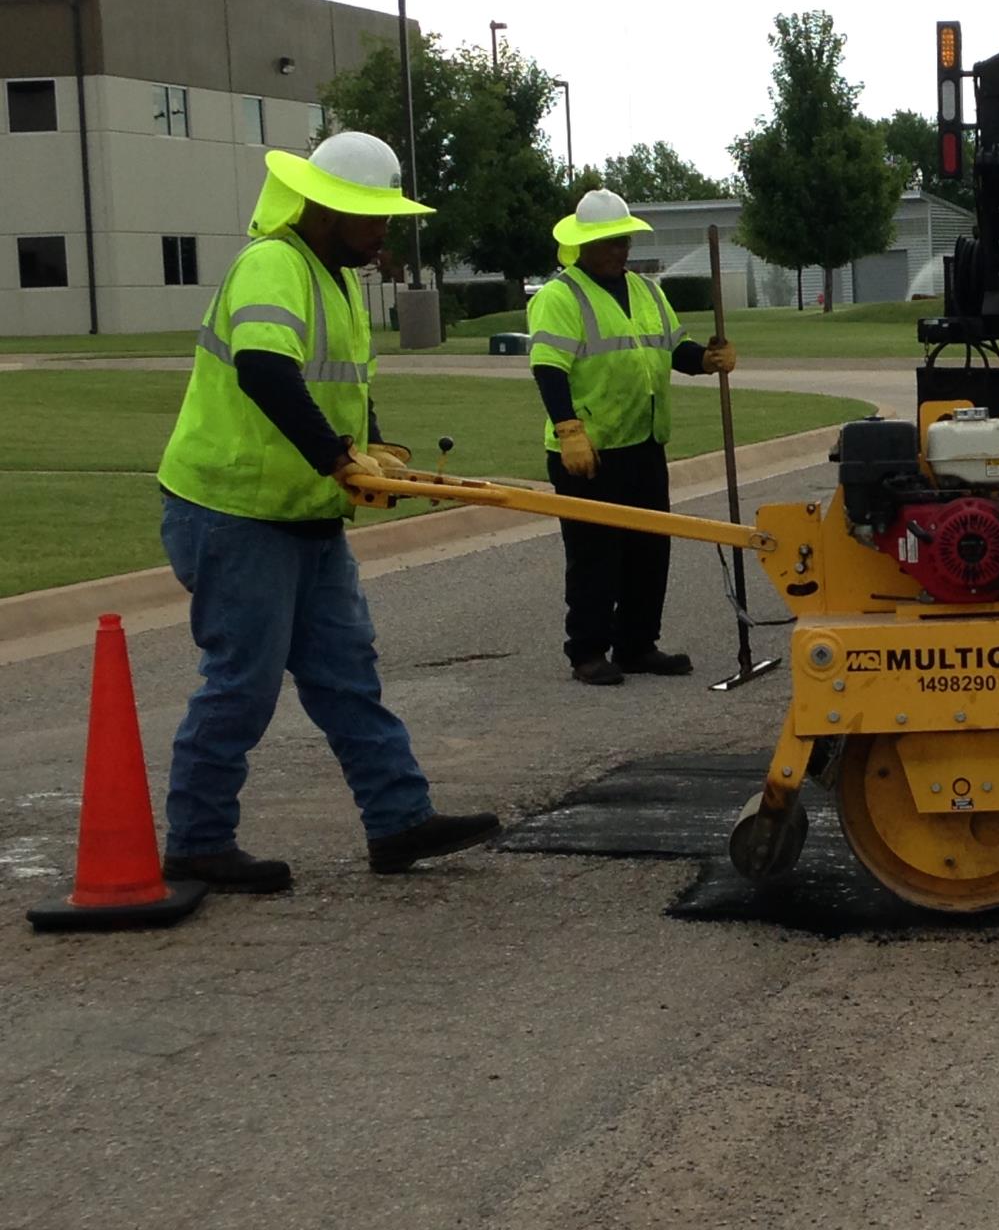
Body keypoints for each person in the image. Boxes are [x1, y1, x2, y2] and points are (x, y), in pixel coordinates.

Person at [154, 131, 500, 893]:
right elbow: (266, 372)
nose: (381, 232)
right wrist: (338, 457)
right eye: (368, 216)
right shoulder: (274, 263)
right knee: (241, 683)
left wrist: (373, 445)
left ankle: (399, 821)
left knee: (347, 674)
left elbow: (338, 382)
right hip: (233, 507)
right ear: (323, 209)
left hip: (305, 511)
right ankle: (197, 843)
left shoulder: (336, 279)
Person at [527, 189, 737, 685]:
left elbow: (672, 347)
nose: (619, 250)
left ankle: (638, 643)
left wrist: (704, 361)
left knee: (649, 550)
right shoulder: (560, 296)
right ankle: (587, 651)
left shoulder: (645, 290)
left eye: (623, 240)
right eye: (608, 241)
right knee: (594, 554)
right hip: (589, 450)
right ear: (582, 245)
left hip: (643, 441)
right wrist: (568, 428)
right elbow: (549, 369)